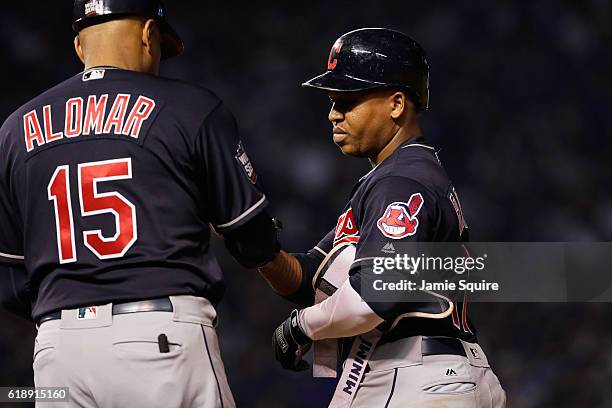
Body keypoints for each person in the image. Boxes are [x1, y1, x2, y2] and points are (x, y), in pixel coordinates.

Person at [0, 1, 281, 407]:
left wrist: (78, 312)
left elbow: (10, 284)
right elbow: (253, 240)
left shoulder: (13, 130)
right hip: (157, 335)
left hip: (56, 351)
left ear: (80, 46)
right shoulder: (190, 108)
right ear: (149, 34)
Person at [260, 28, 507, 407]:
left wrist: (302, 326)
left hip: (415, 375)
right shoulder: (397, 176)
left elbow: (371, 296)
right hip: (434, 373)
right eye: (332, 101)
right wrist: (259, 248)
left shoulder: (401, 180)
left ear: (396, 104)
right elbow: (314, 280)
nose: (333, 114)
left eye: (348, 100)